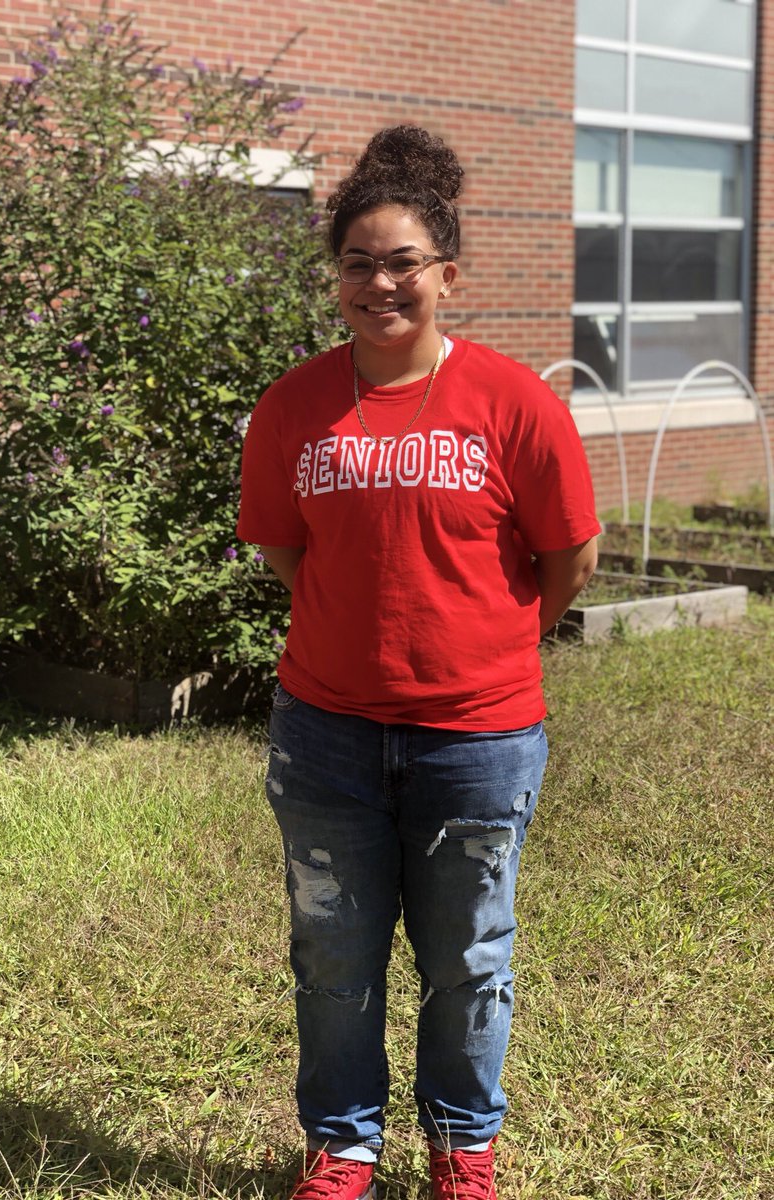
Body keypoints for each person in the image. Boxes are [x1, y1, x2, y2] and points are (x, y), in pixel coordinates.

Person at [237, 125, 600, 1200]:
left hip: (478, 739)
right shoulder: (296, 405)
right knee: (334, 960)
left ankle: (462, 1147)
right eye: (358, 262)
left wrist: (482, 649)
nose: (380, 282)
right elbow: (285, 553)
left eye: (404, 262)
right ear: (336, 278)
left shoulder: (514, 402)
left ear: (448, 274)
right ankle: (344, 1147)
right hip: (328, 734)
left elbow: (566, 557)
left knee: (469, 961)